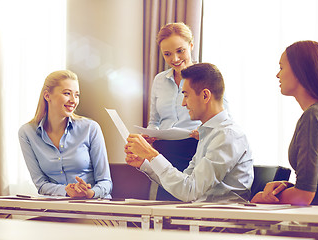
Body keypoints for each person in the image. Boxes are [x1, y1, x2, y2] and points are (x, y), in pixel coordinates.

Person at [125, 63, 253, 202]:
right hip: (201, 218)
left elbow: (189, 191)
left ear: (205, 95)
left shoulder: (227, 135)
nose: (183, 104)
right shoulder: (209, 133)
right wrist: (146, 163)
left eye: (186, 95)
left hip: (220, 221)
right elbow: (182, 185)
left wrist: (151, 154)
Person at [251, 41, 318, 206]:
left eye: (281, 68)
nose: (277, 75)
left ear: (299, 71)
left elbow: (304, 197)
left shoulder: (313, 117)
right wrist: (287, 187)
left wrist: (261, 198)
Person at [147, 22, 228, 200]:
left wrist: (202, 132)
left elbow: (222, 116)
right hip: (165, 149)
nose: (175, 58)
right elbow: (154, 119)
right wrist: (151, 133)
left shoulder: (206, 76)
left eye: (180, 51)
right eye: (167, 54)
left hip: (195, 146)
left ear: (191, 46)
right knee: (164, 205)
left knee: (190, 197)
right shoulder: (159, 80)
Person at [18, 70, 112, 199]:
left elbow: (106, 182)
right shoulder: (27, 133)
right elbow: (40, 184)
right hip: (57, 210)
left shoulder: (90, 128)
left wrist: (89, 193)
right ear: (47, 96)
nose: (73, 100)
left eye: (77, 95)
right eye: (67, 93)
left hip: (94, 207)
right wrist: (66, 191)